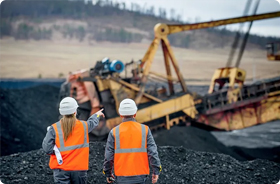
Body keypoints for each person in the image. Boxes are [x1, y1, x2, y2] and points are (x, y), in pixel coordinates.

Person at [42, 97, 104, 184]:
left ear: (61, 112)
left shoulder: (54, 128)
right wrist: (97, 114)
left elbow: (47, 149)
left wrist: (58, 151)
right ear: (75, 111)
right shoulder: (83, 126)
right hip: (79, 169)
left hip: (60, 170)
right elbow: (92, 122)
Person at [103, 98, 162, 184]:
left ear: (120, 114)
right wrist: (156, 170)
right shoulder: (144, 130)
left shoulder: (114, 132)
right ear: (135, 113)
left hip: (122, 177)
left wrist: (108, 173)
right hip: (140, 176)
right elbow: (152, 152)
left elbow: (108, 157)